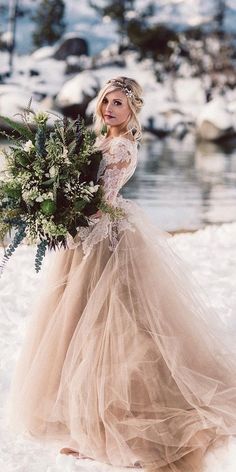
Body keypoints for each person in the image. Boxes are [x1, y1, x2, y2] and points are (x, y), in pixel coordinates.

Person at [7, 77, 236, 472]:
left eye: (119, 103)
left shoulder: (120, 147)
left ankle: (113, 426)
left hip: (104, 243)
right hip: (87, 240)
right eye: (107, 101)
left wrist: (64, 213)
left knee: (109, 331)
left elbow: (100, 203)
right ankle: (86, 424)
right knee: (77, 329)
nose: (110, 109)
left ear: (133, 110)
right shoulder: (102, 141)